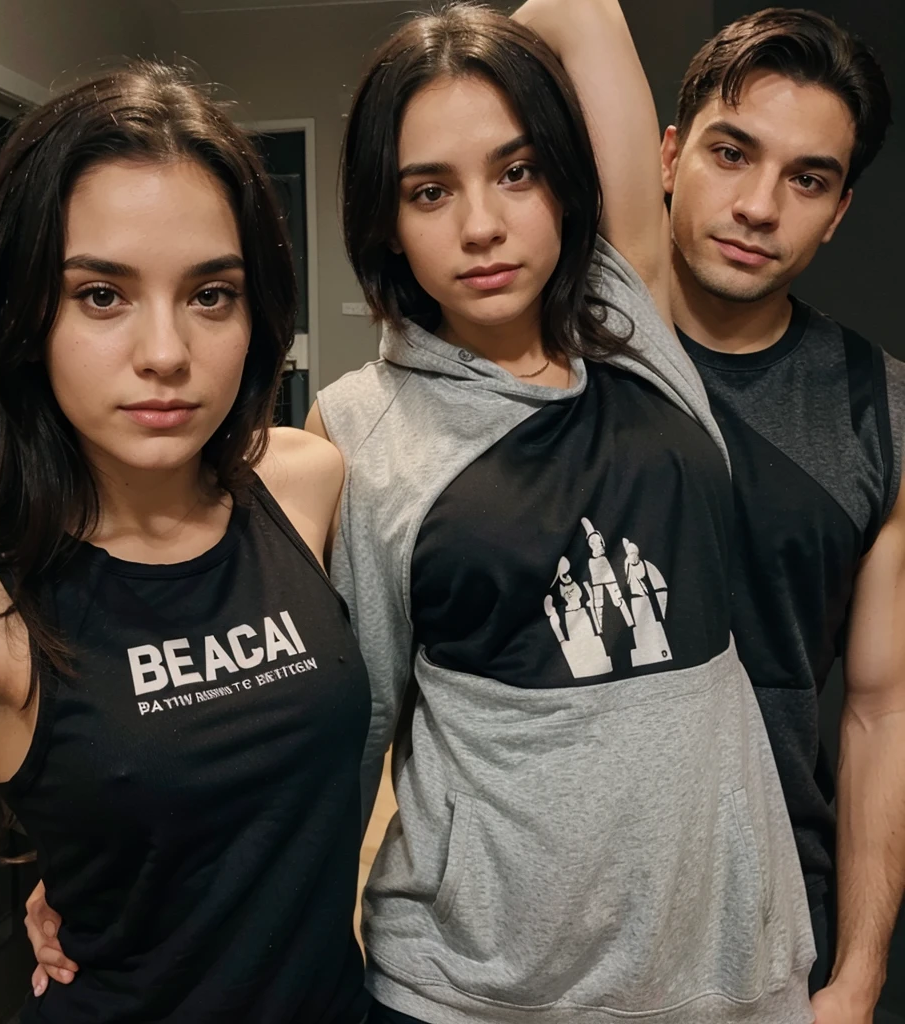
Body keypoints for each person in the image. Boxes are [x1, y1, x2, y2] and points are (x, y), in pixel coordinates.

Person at [311, 1, 815, 1020]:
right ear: (385, 220)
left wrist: (474, 41)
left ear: (561, 183)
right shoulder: (358, 429)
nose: (482, 224)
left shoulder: (630, 320)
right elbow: (347, 727)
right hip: (476, 990)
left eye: (517, 169)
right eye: (428, 188)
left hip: (728, 973)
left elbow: (583, 14)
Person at [0, 62, 372, 1024]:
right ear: (29, 320)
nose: (165, 352)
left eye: (211, 294)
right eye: (102, 295)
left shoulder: (302, 481)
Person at [661, 9, 905, 1020]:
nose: (758, 205)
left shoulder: (880, 407)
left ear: (838, 210)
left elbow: (879, 711)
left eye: (805, 179)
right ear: (667, 156)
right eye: (730, 152)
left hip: (774, 938)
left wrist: (857, 975)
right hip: (547, 938)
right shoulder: (562, 366)